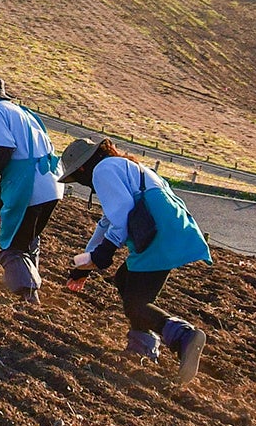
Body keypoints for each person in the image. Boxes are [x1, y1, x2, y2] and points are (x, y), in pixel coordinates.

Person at [58, 136, 212, 383]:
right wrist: (85, 264)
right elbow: (107, 222)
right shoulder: (123, 166)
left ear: (83, 168)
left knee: (136, 303)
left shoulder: (102, 170)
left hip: (159, 233)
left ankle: (183, 336)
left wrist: (102, 254)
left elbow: (121, 214)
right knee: (125, 280)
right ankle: (143, 345)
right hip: (170, 228)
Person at [0, 76, 63, 304]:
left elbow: (3, 150)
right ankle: (31, 291)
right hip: (52, 184)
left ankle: (28, 297)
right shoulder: (22, 112)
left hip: (29, 186)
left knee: (11, 249)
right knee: (28, 240)